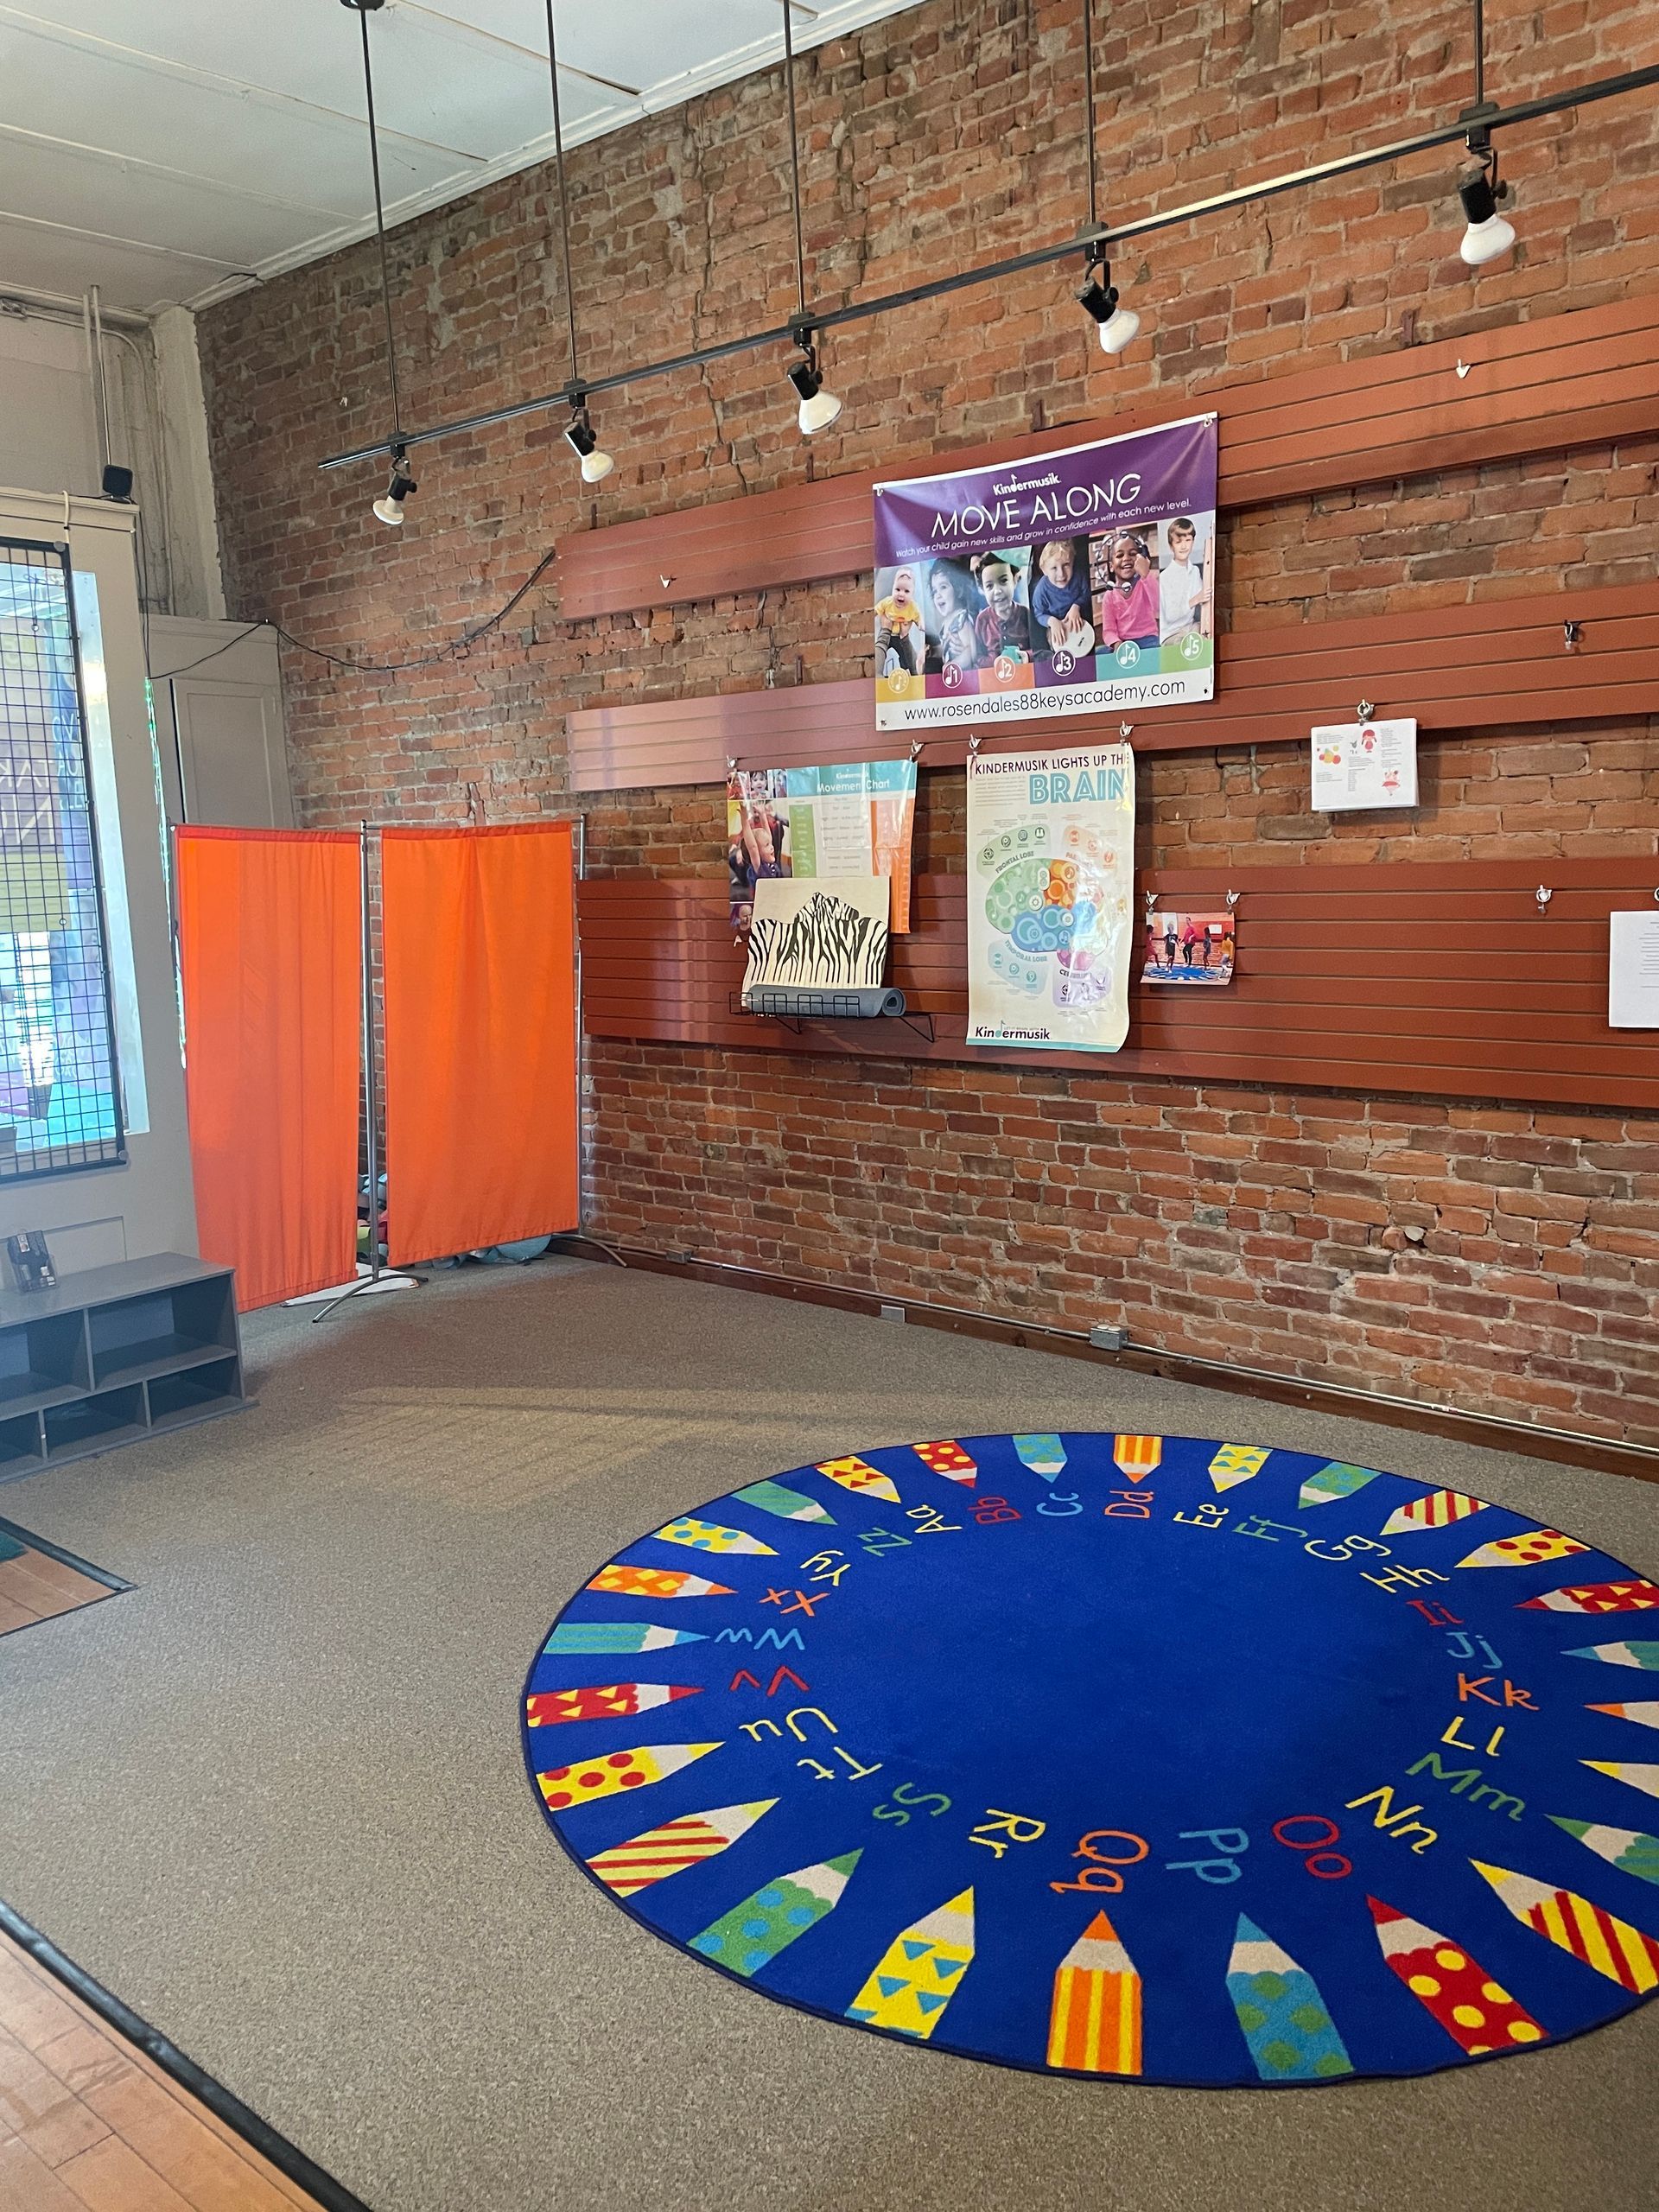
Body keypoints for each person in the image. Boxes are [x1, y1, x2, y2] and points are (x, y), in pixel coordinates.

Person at [1097, 531, 1161, 653]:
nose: (1126, 558)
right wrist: (1116, 643)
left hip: (1148, 640)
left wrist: (1146, 574)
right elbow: (1108, 630)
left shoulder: (1145, 583)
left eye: (1132, 554)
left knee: (1157, 649)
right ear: (1111, 566)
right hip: (1123, 642)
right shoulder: (1109, 596)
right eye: (1120, 555)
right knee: (1099, 653)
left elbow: (1159, 604)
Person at [1029, 539, 1092, 653]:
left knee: (1086, 645)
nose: (1061, 574)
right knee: (1058, 647)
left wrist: (1076, 606)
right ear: (1044, 570)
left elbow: (1086, 593)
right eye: (1054, 568)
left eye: (1066, 565)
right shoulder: (1040, 590)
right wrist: (1052, 621)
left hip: (1077, 619)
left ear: (1073, 563)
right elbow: (1039, 614)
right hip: (1056, 623)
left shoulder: (1079, 576)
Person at [925, 559, 985, 673]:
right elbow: (946, 649)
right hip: (954, 677)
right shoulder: (945, 624)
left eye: (943, 587)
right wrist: (934, 651)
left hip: (968, 676)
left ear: (959, 589)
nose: (938, 595)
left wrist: (953, 665)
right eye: (934, 591)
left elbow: (971, 652)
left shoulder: (961, 619)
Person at [974, 556, 1033, 662]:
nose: (997, 591)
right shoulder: (982, 620)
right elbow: (978, 658)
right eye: (989, 586)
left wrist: (1027, 656)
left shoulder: (1026, 614)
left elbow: (1039, 649)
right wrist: (994, 663)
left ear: (1015, 580)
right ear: (982, 590)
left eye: (1003, 581)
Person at [1160, 517, 1207, 641]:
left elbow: (1203, 599)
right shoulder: (1165, 577)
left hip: (1190, 627)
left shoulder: (1195, 571)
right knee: (1186, 645)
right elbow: (1171, 616)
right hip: (1171, 634)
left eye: (1188, 540)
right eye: (1178, 542)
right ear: (1171, 546)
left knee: (1207, 634)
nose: (1184, 546)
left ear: (1193, 541)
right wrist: (1196, 599)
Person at [874, 567, 926, 677]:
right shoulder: (887, 602)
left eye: (906, 591)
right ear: (893, 588)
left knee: (907, 655)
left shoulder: (913, 607)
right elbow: (876, 610)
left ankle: (913, 673)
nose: (901, 594)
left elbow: (919, 618)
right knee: (880, 648)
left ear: (912, 593)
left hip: (900, 637)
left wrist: (921, 624)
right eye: (898, 589)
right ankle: (877, 672)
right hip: (888, 634)